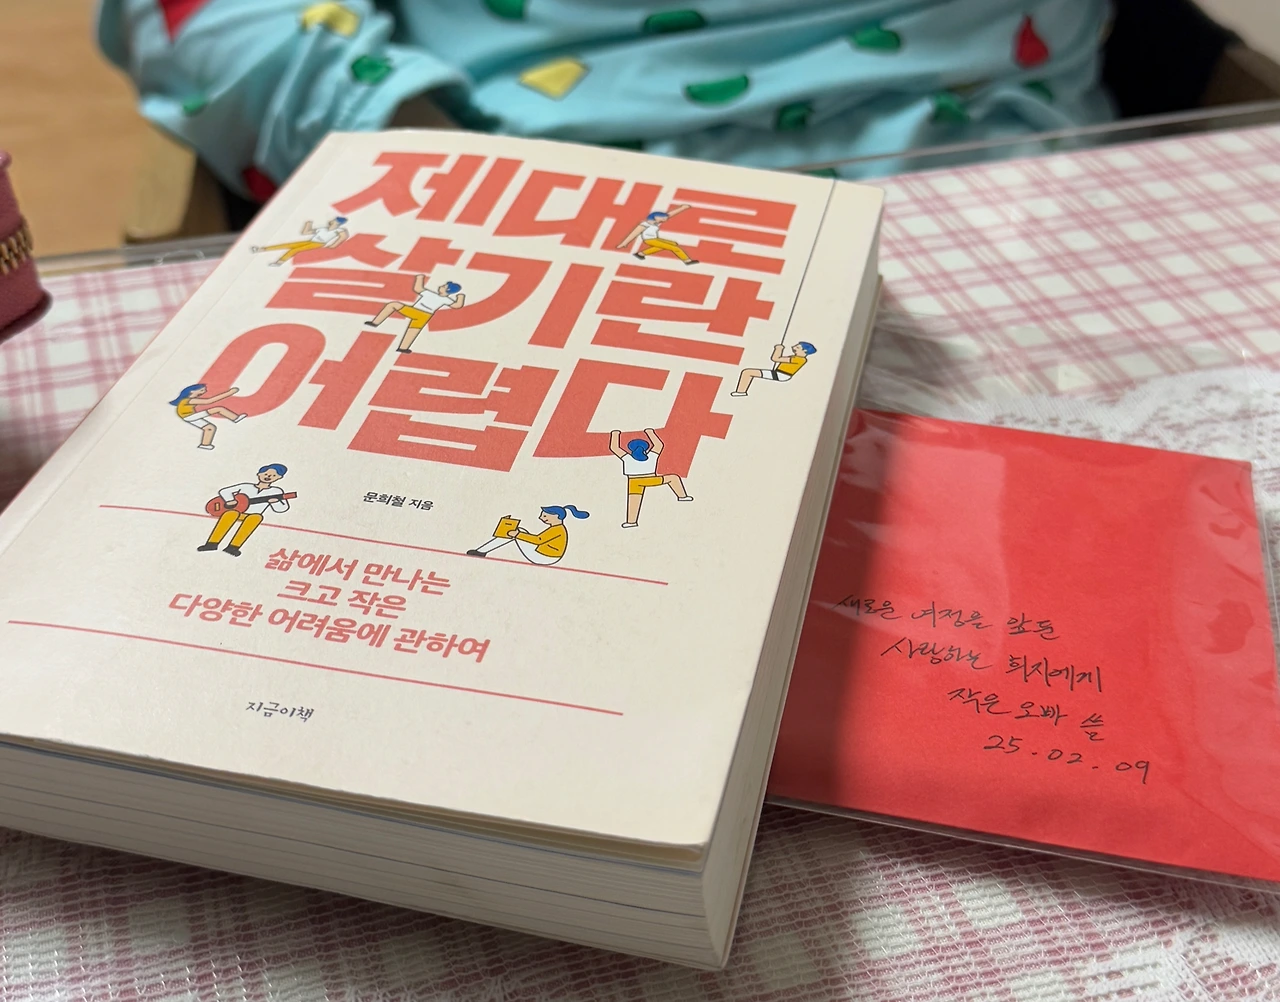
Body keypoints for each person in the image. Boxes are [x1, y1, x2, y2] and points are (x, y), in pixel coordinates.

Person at [198, 464, 291, 557]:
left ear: (279, 478)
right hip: (235, 511)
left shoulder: (276, 491)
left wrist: (275, 502)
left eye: (274, 475)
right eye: (266, 474)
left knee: (256, 517)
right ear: (259, 474)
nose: (268, 477)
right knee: (231, 514)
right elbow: (224, 491)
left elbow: (282, 509)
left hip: (252, 516)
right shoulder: (245, 486)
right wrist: (230, 500)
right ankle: (211, 544)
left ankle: (233, 547)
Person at [609, 428, 692, 528]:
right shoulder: (652, 456)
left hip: (634, 482)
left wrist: (615, 434)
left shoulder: (627, 458)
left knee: (634, 501)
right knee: (673, 478)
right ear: (646, 449)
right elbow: (659, 445)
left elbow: (614, 448)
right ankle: (682, 496)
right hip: (651, 480)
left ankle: (631, 522)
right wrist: (650, 432)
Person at [365, 276, 464, 353]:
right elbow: (457, 305)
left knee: (393, 305)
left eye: (444, 286)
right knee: (413, 331)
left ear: (448, 290)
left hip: (417, 312)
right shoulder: (443, 298)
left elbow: (418, 288)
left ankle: (376, 322)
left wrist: (419, 278)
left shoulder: (434, 295)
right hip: (425, 316)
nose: (440, 286)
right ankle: (403, 348)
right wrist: (460, 297)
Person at [466, 505, 589, 565]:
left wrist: (517, 534)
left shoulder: (557, 530)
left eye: (544, 516)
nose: (541, 518)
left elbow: (538, 540)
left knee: (517, 532)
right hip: (543, 553)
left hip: (545, 556)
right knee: (518, 531)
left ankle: (481, 551)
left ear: (556, 516)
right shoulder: (557, 528)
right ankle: (482, 551)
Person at [169, 383, 246, 450]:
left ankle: (205, 445)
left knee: (209, 428)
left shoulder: (190, 399)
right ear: (192, 391)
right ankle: (235, 418)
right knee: (218, 409)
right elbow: (208, 401)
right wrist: (229, 393)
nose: (204, 391)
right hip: (189, 415)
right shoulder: (188, 400)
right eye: (202, 390)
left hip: (188, 416)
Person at [250, 217, 349, 265]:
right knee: (286, 245)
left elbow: (343, 236)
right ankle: (260, 249)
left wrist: (333, 245)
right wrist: (308, 224)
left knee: (295, 250)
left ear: (337, 223)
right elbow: (306, 232)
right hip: (312, 241)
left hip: (318, 244)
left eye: (334, 220)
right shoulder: (323, 229)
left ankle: (279, 262)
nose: (332, 220)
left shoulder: (339, 230)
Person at [617, 205, 697, 264]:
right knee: (674, 247)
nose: (665, 219)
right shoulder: (645, 224)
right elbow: (634, 233)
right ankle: (687, 260)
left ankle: (641, 254)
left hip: (655, 239)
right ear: (655, 217)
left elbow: (669, 214)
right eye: (663, 218)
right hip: (649, 240)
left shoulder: (655, 223)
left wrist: (682, 208)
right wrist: (624, 243)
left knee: (673, 243)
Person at [732, 341, 815, 397]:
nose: (794, 347)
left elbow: (775, 358)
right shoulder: (796, 358)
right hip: (779, 373)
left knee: (747, 372)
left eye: (797, 347)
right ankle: (741, 391)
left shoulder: (799, 359)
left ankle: (741, 392)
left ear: (804, 350)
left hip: (781, 374)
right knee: (748, 372)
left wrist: (778, 349)